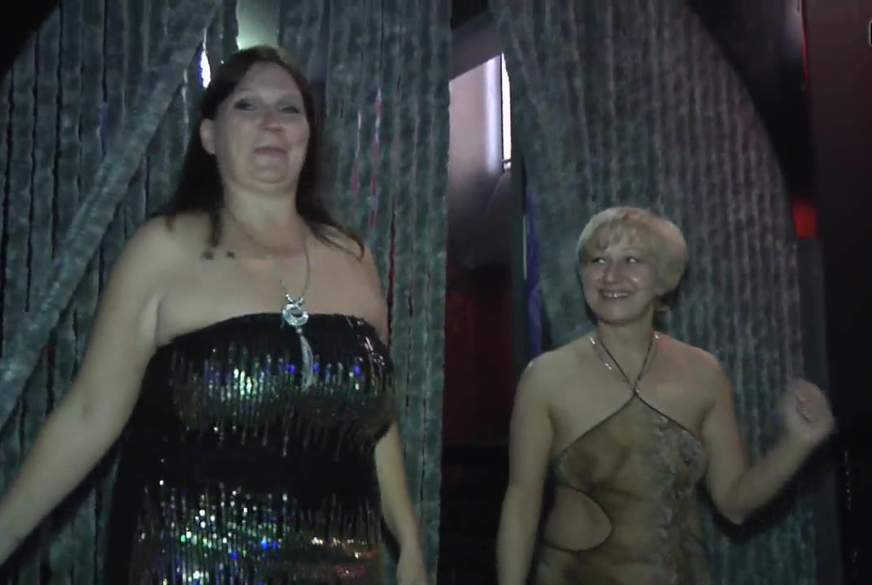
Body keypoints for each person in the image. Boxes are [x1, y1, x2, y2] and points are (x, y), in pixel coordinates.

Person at [0, 45, 427, 584]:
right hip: (191, 564)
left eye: (289, 108)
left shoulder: (354, 259)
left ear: (308, 135)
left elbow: (374, 421)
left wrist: (409, 541)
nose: (272, 122)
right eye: (247, 106)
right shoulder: (163, 249)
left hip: (342, 565)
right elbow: (89, 413)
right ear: (209, 136)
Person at [496, 206, 834, 585]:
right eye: (598, 260)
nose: (611, 275)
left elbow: (734, 504)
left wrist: (798, 444)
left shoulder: (703, 374)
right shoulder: (546, 377)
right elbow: (521, 506)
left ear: (664, 278)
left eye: (632, 259)